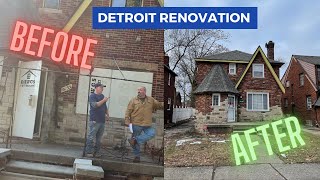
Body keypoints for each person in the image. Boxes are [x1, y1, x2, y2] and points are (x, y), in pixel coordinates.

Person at [125, 86, 163, 163]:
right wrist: (127, 120)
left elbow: (159, 105)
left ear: (144, 91)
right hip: (136, 123)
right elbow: (128, 111)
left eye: (140, 90)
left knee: (152, 133)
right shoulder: (133, 100)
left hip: (147, 124)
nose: (138, 91)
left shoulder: (151, 100)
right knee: (135, 141)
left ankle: (135, 140)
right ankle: (137, 157)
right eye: (138, 90)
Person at [85, 82, 110, 158]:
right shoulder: (92, 96)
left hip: (102, 120)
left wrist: (107, 114)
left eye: (102, 88)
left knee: (99, 139)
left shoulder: (102, 96)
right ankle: (89, 152)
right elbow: (96, 105)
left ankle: (97, 152)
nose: (102, 89)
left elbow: (104, 106)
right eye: (101, 87)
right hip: (94, 120)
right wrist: (104, 100)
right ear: (97, 88)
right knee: (91, 137)